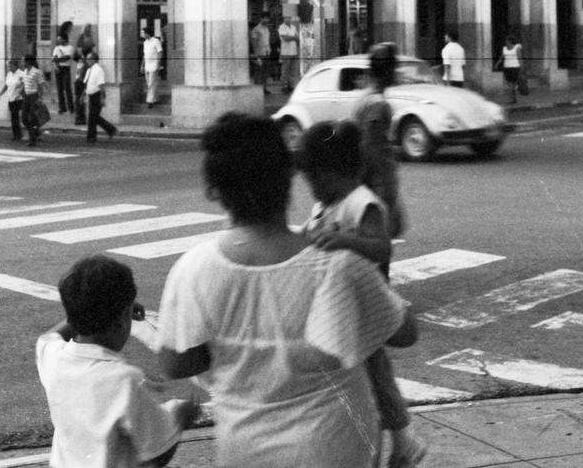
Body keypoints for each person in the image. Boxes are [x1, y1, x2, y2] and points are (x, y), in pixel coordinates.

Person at [157, 113, 418, 468]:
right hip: (338, 445)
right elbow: (404, 332)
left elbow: (176, 363)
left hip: (246, 449)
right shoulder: (338, 263)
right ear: (288, 177)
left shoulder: (192, 271)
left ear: (215, 191)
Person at [297, 120, 427, 468]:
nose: (312, 189)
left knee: (377, 375)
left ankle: (404, 441)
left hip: (367, 307)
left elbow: (382, 247)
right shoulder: (324, 205)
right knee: (362, 380)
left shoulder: (361, 202)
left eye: (315, 180)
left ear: (337, 171)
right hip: (339, 305)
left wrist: (344, 241)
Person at [37, 255, 199, 468]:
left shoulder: (53, 356)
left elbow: (49, 336)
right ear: (121, 322)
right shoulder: (124, 380)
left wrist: (78, 315)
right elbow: (157, 453)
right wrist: (180, 419)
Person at [354, 43, 408, 239]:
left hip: (372, 184)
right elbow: (372, 150)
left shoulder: (368, 98)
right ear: (388, 71)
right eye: (395, 67)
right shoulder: (377, 104)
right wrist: (382, 192)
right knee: (379, 245)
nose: (397, 72)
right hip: (377, 186)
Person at [82, 51, 118, 143]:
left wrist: (102, 98)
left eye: (89, 59)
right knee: (93, 117)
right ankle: (110, 130)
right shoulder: (89, 70)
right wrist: (83, 94)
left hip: (97, 95)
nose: (87, 61)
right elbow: (86, 83)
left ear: (94, 60)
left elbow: (101, 85)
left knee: (93, 117)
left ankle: (92, 137)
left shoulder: (98, 70)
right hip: (90, 95)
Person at [0, 57, 24, 141]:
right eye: (8, 66)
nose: (9, 67)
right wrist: (0, 95)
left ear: (15, 66)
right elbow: (6, 85)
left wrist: (20, 94)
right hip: (10, 98)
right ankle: (16, 134)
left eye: (10, 66)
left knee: (19, 117)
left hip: (19, 99)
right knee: (13, 118)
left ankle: (21, 134)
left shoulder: (21, 74)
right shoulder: (9, 74)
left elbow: (24, 85)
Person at [20, 54, 46, 146]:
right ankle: (35, 132)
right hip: (26, 96)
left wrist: (40, 98)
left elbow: (41, 86)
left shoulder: (36, 72)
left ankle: (32, 139)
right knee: (23, 118)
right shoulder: (24, 72)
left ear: (28, 62)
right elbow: (24, 84)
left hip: (34, 96)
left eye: (23, 61)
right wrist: (22, 92)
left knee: (32, 118)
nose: (22, 62)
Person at [494, 34, 524, 103]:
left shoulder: (517, 47)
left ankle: (512, 97)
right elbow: (502, 57)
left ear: (510, 41)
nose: (506, 42)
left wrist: (522, 67)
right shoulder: (504, 48)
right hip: (507, 68)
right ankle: (513, 96)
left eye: (507, 41)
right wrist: (497, 64)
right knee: (509, 83)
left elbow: (519, 58)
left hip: (515, 67)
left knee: (512, 83)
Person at [52, 32, 76, 115]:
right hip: (58, 68)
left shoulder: (70, 48)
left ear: (64, 39)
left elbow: (67, 58)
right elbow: (54, 59)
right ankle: (62, 108)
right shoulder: (56, 48)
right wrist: (57, 64)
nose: (58, 40)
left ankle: (71, 107)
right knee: (60, 89)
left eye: (60, 38)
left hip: (66, 69)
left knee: (67, 88)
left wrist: (58, 59)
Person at [141, 29, 164, 108]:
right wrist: (142, 65)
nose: (142, 34)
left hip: (154, 64)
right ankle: (156, 98)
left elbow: (160, 52)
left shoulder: (156, 41)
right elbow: (145, 55)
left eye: (143, 33)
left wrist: (158, 63)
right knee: (149, 83)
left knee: (151, 83)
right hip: (147, 64)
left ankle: (150, 101)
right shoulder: (145, 43)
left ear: (148, 33)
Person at [249, 15, 271, 91]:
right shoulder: (256, 29)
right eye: (265, 18)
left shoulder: (266, 29)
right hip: (259, 53)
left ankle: (264, 88)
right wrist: (256, 53)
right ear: (261, 19)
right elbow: (253, 41)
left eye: (267, 19)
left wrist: (269, 49)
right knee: (259, 71)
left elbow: (267, 41)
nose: (267, 20)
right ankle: (257, 88)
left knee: (266, 71)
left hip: (266, 52)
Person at [278, 15, 299, 92]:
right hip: (286, 52)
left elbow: (298, 38)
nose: (288, 19)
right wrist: (294, 38)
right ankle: (284, 85)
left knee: (292, 69)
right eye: (286, 18)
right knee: (285, 69)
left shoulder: (293, 27)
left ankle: (291, 85)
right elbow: (285, 38)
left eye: (289, 17)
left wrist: (293, 38)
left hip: (294, 51)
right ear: (283, 19)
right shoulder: (281, 27)